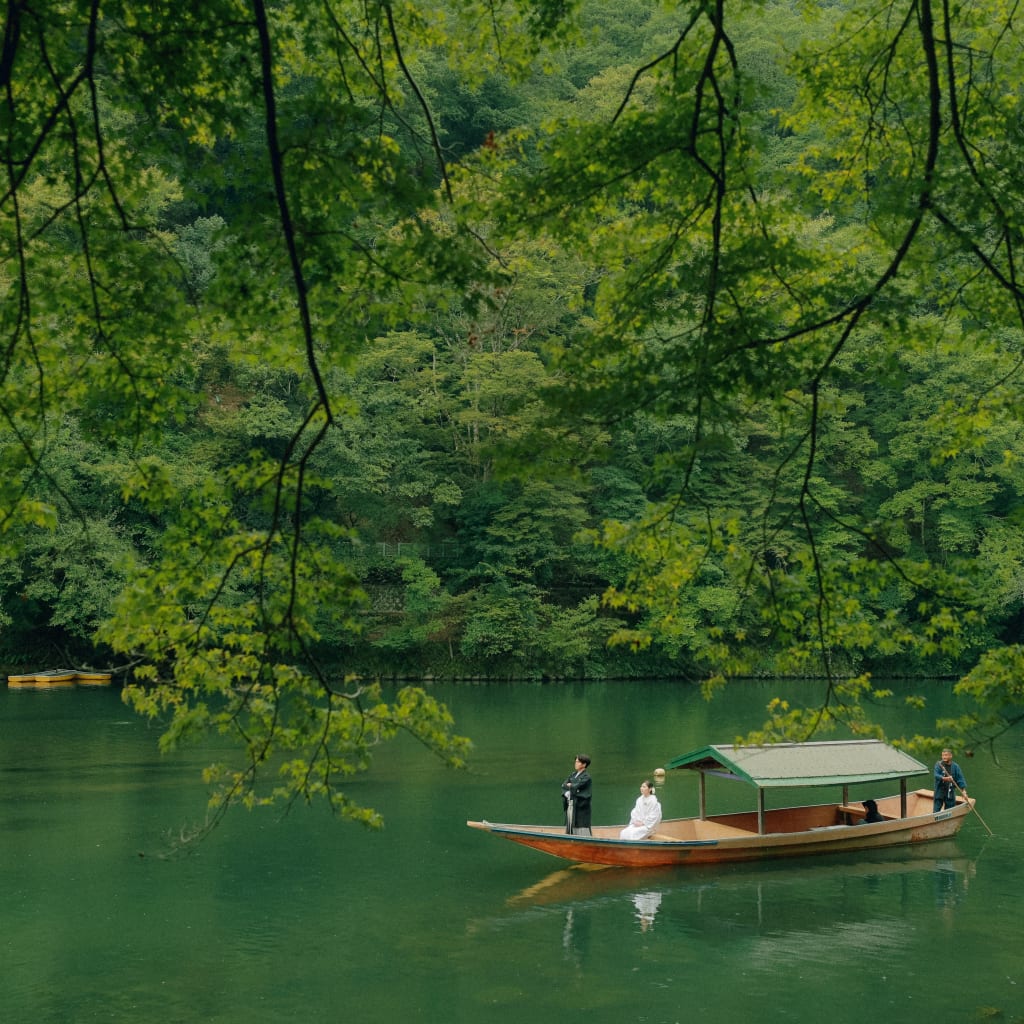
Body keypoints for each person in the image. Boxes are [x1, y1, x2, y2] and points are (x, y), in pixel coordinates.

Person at [562, 754, 592, 835]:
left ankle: (583, 838)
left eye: (578, 762)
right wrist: (567, 792)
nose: (575, 763)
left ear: (584, 764)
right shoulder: (573, 774)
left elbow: (577, 785)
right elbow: (564, 784)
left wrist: (571, 786)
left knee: (580, 823)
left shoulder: (586, 777)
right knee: (570, 822)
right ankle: (569, 836)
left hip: (580, 805)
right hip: (571, 804)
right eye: (575, 762)